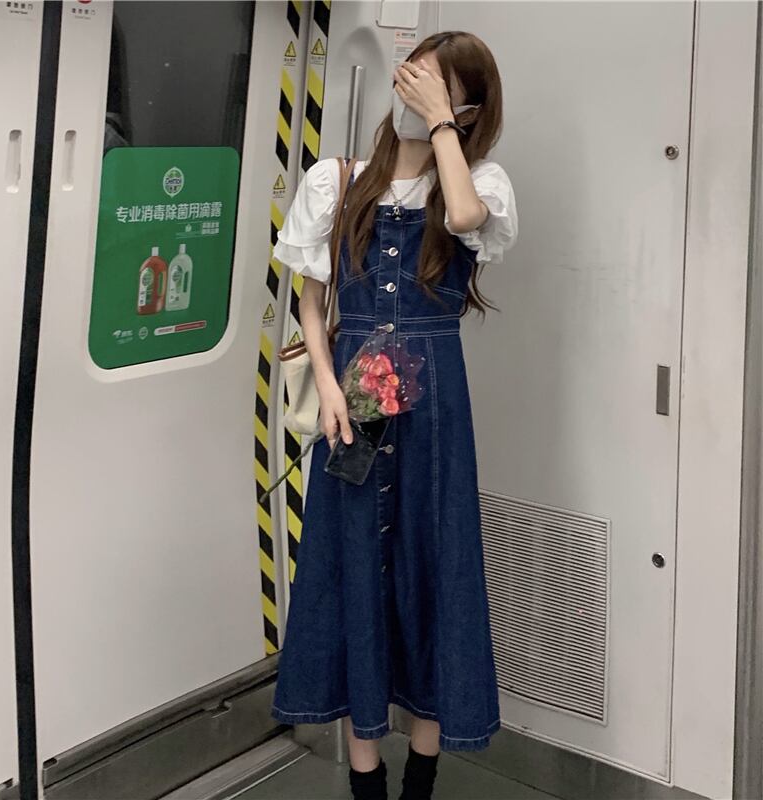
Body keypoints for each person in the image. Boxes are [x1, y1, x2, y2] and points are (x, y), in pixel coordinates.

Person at [270, 30, 518, 800]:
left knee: (434, 563)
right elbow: (312, 302)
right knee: (355, 563)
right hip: (360, 387)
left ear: (467, 109)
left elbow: (467, 214)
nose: (411, 97)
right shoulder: (336, 180)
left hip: (434, 394)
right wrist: (328, 385)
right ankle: (367, 779)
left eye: (436, 89)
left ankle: (424, 778)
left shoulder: (480, 182)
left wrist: (441, 125)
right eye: (411, 82)